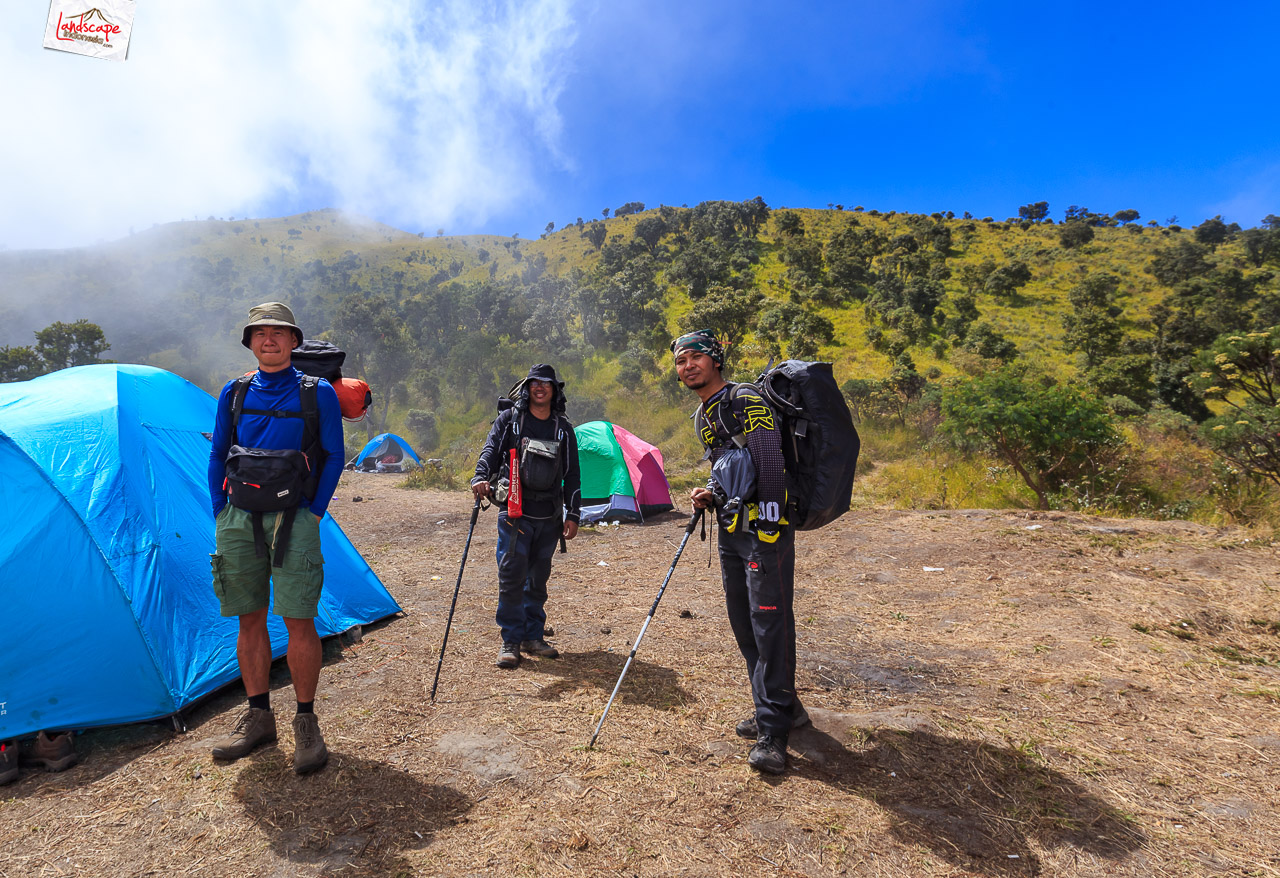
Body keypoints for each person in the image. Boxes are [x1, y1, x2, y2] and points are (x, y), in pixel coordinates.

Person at [207, 302, 344, 775]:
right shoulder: (234, 391)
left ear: (293, 341)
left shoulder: (317, 392)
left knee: (299, 619)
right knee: (249, 618)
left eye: (279, 332)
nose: (269, 339)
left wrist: (315, 512)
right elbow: (218, 453)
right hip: (238, 516)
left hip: (295, 516)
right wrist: (220, 509)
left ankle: (305, 722)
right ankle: (259, 716)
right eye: (260, 333)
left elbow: (334, 454)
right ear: (250, 342)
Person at [672, 329, 808, 775]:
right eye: (680, 361)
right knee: (745, 624)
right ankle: (783, 708)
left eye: (695, 357)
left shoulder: (745, 399)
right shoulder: (705, 414)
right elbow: (730, 467)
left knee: (769, 625)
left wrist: (768, 522)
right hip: (732, 530)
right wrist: (711, 492)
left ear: (715, 359)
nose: (688, 366)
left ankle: (774, 732)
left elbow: (770, 460)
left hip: (764, 531)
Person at [471, 364, 581, 669]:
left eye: (546, 383)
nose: (540, 387)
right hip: (514, 513)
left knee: (538, 580)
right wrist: (480, 477)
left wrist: (573, 513)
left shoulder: (563, 429)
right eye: (535, 383)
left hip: (549, 518)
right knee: (511, 576)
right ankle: (511, 640)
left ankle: (533, 637)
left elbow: (572, 474)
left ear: (555, 390)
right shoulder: (510, 420)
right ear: (527, 388)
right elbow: (490, 451)